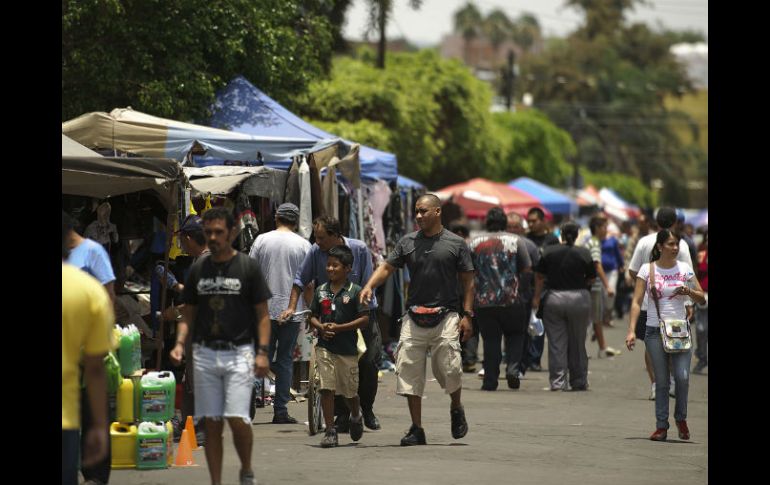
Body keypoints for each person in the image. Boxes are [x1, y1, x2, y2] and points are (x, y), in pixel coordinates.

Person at [360, 194, 475, 446]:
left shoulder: (456, 244)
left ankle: (456, 408)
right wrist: (369, 286)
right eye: (416, 212)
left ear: (437, 212)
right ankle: (417, 428)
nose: (419, 216)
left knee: (451, 368)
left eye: (423, 211)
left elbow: (468, 281)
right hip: (414, 316)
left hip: (447, 315)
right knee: (409, 372)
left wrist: (467, 315)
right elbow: (387, 267)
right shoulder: (407, 242)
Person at [169, 207, 271, 485]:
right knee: (211, 423)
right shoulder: (198, 269)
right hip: (204, 355)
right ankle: (216, 481)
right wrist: (180, 344)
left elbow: (262, 315)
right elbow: (187, 313)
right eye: (208, 232)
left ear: (231, 233)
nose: (212, 237)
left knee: (238, 419)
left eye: (218, 232)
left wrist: (262, 353)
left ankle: (246, 468)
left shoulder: (247, 268)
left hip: (239, 353)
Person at [281, 216, 383, 431]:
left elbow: (367, 284)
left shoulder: (360, 249)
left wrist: (357, 311)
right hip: (330, 315)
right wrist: (292, 308)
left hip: (361, 311)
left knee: (369, 361)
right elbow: (300, 280)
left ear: (336, 236)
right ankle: (343, 415)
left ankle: (367, 408)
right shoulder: (315, 251)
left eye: (321, 238)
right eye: (315, 238)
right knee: (332, 365)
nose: (317, 242)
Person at [624, 229, 706, 441]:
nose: (675, 247)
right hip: (654, 331)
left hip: (680, 331)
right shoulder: (647, 269)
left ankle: (681, 418)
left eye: (677, 243)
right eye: (670, 244)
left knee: (683, 377)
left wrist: (688, 292)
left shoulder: (685, 269)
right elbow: (636, 301)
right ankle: (661, 425)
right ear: (660, 246)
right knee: (661, 381)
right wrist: (632, 330)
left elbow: (702, 299)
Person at [64, 211, 116, 485]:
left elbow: (108, 297)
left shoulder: (93, 251)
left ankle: (95, 474)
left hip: (92, 345)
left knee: (92, 409)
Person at [249, 203, 311, 424]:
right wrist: (310, 312)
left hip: (263, 309)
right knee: (284, 359)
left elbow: (250, 273)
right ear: (295, 222)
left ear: (277, 218)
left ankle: (248, 406)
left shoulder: (261, 240)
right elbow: (309, 282)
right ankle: (280, 411)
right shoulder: (304, 245)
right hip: (292, 310)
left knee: (258, 355)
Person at [627, 207, 693, 401]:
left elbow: (632, 270)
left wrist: (644, 282)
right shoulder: (679, 245)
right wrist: (689, 302)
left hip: (649, 305)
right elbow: (689, 275)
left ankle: (656, 384)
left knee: (650, 345)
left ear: (656, 222)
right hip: (675, 305)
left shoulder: (644, 242)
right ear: (675, 222)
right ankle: (670, 381)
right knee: (673, 342)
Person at [309, 245, 370, 447]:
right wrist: (320, 327)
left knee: (349, 392)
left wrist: (340, 327)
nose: (330, 269)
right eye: (328, 265)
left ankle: (355, 415)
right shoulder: (320, 291)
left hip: (347, 350)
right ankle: (330, 430)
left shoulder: (356, 292)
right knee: (326, 388)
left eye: (335, 265)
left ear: (347, 269)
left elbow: (364, 320)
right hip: (325, 347)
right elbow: (312, 316)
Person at [469, 207, 531, 390]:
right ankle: (512, 369)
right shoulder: (516, 241)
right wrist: (522, 291)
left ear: (487, 222)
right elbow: (527, 270)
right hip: (511, 299)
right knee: (516, 335)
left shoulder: (473, 243)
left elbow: (466, 272)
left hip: (484, 301)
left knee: (490, 340)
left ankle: (490, 380)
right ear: (504, 222)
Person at [533, 221, 596, 391]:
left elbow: (539, 276)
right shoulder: (584, 253)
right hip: (580, 299)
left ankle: (558, 382)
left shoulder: (548, 252)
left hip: (554, 298)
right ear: (577, 235)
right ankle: (579, 380)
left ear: (561, 234)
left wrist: (537, 298)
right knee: (578, 341)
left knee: (556, 343)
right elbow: (591, 278)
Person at [524, 207, 560, 372]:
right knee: (524, 324)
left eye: (534, 221)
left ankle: (535, 359)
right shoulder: (524, 239)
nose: (530, 224)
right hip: (526, 286)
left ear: (543, 221)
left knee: (539, 325)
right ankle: (523, 358)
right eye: (529, 221)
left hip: (546, 288)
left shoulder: (552, 240)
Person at [507, 213, 540, 380]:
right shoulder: (499, 244)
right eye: (510, 226)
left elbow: (538, 274)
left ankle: (520, 366)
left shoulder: (530, 246)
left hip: (524, 297)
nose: (512, 229)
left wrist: (536, 297)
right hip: (503, 297)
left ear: (521, 228)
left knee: (523, 334)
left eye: (515, 226)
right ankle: (509, 365)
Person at [584, 215, 622, 358]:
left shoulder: (592, 241)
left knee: (596, 317)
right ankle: (584, 350)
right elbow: (597, 264)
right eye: (604, 227)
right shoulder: (594, 243)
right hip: (593, 285)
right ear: (597, 228)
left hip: (592, 284)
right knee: (591, 318)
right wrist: (608, 286)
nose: (607, 230)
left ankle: (602, 348)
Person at [450, 222, 479, 374]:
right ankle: (465, 359)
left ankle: (468, 359)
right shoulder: (468, 249)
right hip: (455, 293)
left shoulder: (450, 247)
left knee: (468, 325)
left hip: (466, 293)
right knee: (459, 326)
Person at [600, 225, 624, 327]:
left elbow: (617, 253)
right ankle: (602, 316)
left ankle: (608, 315)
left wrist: (621, 264)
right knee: (601, 294)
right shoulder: (596, 240)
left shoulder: (613, 240)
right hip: (600, 271)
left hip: (612, 270)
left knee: (611, 292)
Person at [693, 230, 708, 374]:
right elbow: (695, 275)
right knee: (701, 329)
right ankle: (702, 356)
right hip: (703, 296)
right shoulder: (701, 255)